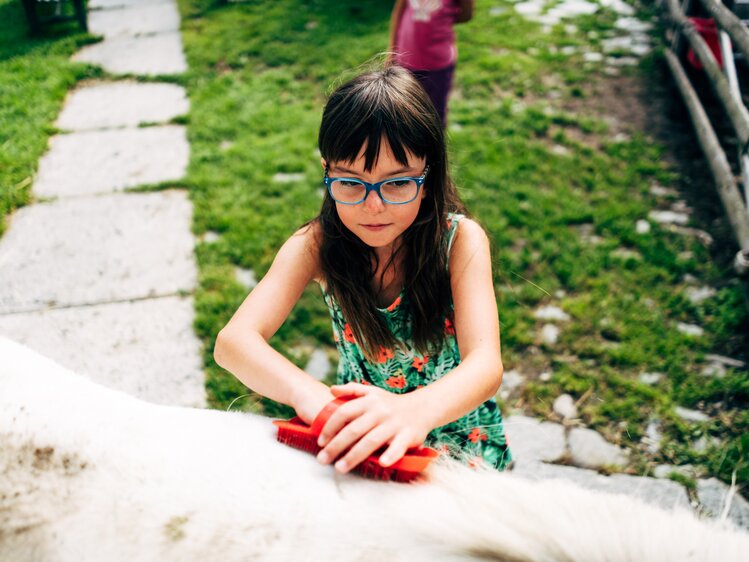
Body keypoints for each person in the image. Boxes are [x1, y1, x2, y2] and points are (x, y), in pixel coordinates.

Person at [214, 65, 511, 474]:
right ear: (327, 170)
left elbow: (485, 365)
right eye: (351, 183)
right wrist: (313, 399)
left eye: (396, 183)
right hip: (362, 439)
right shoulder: (316, 245)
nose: (374, 206)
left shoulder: (460, 241)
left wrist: (411, 412)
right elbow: (233, 343)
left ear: (429, 173)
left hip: (460, 443)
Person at [389, 0, 474, 126]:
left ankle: (434, 145)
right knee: (403, 114)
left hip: (437, 66)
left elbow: (466, 14)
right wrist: (392, 51)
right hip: (405, 60)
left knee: (434, 115)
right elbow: (399, 11)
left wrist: (445, 19)